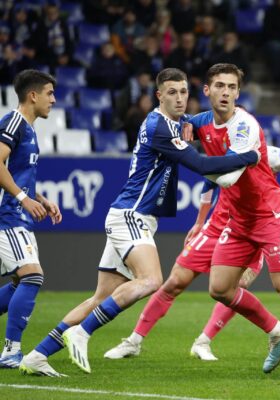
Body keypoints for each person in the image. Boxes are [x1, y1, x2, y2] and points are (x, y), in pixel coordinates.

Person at [19, 68, 260, 377]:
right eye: (171, 92)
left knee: (101, 298)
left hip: (128, 214)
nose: (179, 98)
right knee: (150, 280)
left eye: (184, 92)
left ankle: (38, 355)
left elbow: (197, 127)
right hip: (131, 216)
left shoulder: (171, 124)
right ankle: (82, 332)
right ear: (158, 96)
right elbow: (201, 164)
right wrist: (248, 156)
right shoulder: (161, 127)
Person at [102, 146, 280, 361]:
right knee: (175, 281)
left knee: (235, 287)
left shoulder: (267, 153)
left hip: (252, 230)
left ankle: (203, 341)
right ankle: (134, 341)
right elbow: (208, 183)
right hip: (216, 228)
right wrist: (199, 223)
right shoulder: (226, 155)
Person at [188, 63, 280, 378]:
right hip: (239, 222)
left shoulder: (245, 126)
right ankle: (277, 331)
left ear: (238, 93)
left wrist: (189, 160)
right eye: (219, 86)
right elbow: (176, 128)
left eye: (231, 87)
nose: (225, 92)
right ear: (207, 90)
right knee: (220, 288)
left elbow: (227, 179)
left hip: (270, 215)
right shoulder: (200, 123)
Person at [0, 70, 62, 368]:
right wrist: (23, 199)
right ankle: (11, 351)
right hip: (6, 215)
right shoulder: (14, 122)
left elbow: (16, 173)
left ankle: (11, 350)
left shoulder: (31, 129)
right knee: (32, 275)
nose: (54, 99)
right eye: (49, 93)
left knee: (18, 281)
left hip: (16, 211)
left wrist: (38, 198)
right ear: (33, 95)